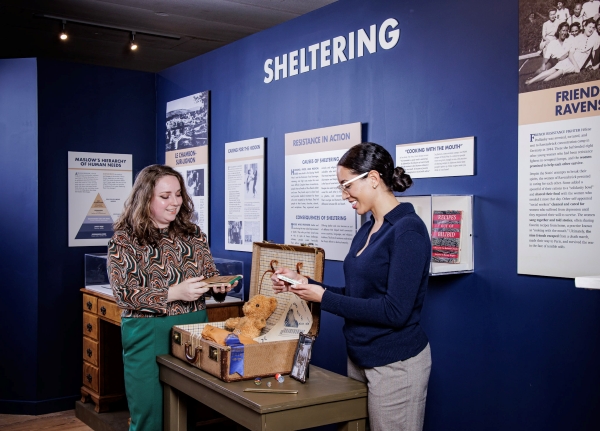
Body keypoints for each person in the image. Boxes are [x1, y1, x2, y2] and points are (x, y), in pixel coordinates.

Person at [271, 143, 432, 431]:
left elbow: (394, 311)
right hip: (359, 357)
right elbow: (357, 297)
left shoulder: (409, 230)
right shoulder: (366, 230)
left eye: (346, 185)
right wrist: (306, 285)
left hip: (396, 364)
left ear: (373, 178)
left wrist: (324, 297)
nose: (344, 195)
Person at [107, 164, 235, 431]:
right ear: (145, 198)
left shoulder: (194, 234)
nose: (175, 202)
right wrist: (175, 293)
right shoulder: (124, 240)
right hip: (146, 331)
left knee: (183, 413)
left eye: (178, 194)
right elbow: (124, 294)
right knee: (149, 415)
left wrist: (217, 286)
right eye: (165, 196)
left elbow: (209, 273)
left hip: (193, 328)